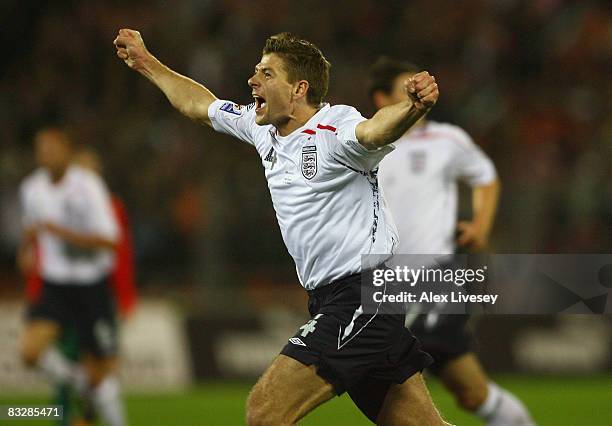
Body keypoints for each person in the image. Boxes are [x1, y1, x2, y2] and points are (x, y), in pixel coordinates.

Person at [114, 29, 448, 425]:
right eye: (256, 71)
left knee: (265, 412)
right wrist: (147, 62)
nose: (253, 80)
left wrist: (411, 107)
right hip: (332, 298)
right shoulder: (262, 129)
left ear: (298, 89)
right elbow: (200, 105)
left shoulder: (334, 128)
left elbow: (375, 130)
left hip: (363, 294)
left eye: (267, 74)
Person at [371, 57, 535, 426]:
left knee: (387, 387)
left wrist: (480, 226)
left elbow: (486, 177)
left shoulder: (447, 139)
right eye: (405, 89)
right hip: (385, 284)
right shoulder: (367, 144)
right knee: (473, 393)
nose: (417, 94)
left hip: (435, 278)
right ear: (382, 99)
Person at [18, 127, 127, 426]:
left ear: (66, 150)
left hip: (92, 285)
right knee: (29, 352)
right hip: (55, 285)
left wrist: (64, 234)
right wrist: (26, 250)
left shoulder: (89, 185)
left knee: (102, 378)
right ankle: (79, 383)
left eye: (52, 148)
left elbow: (111, 240)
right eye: (42, 149)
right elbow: (32, 226)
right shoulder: (32, 188)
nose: (47, 155)